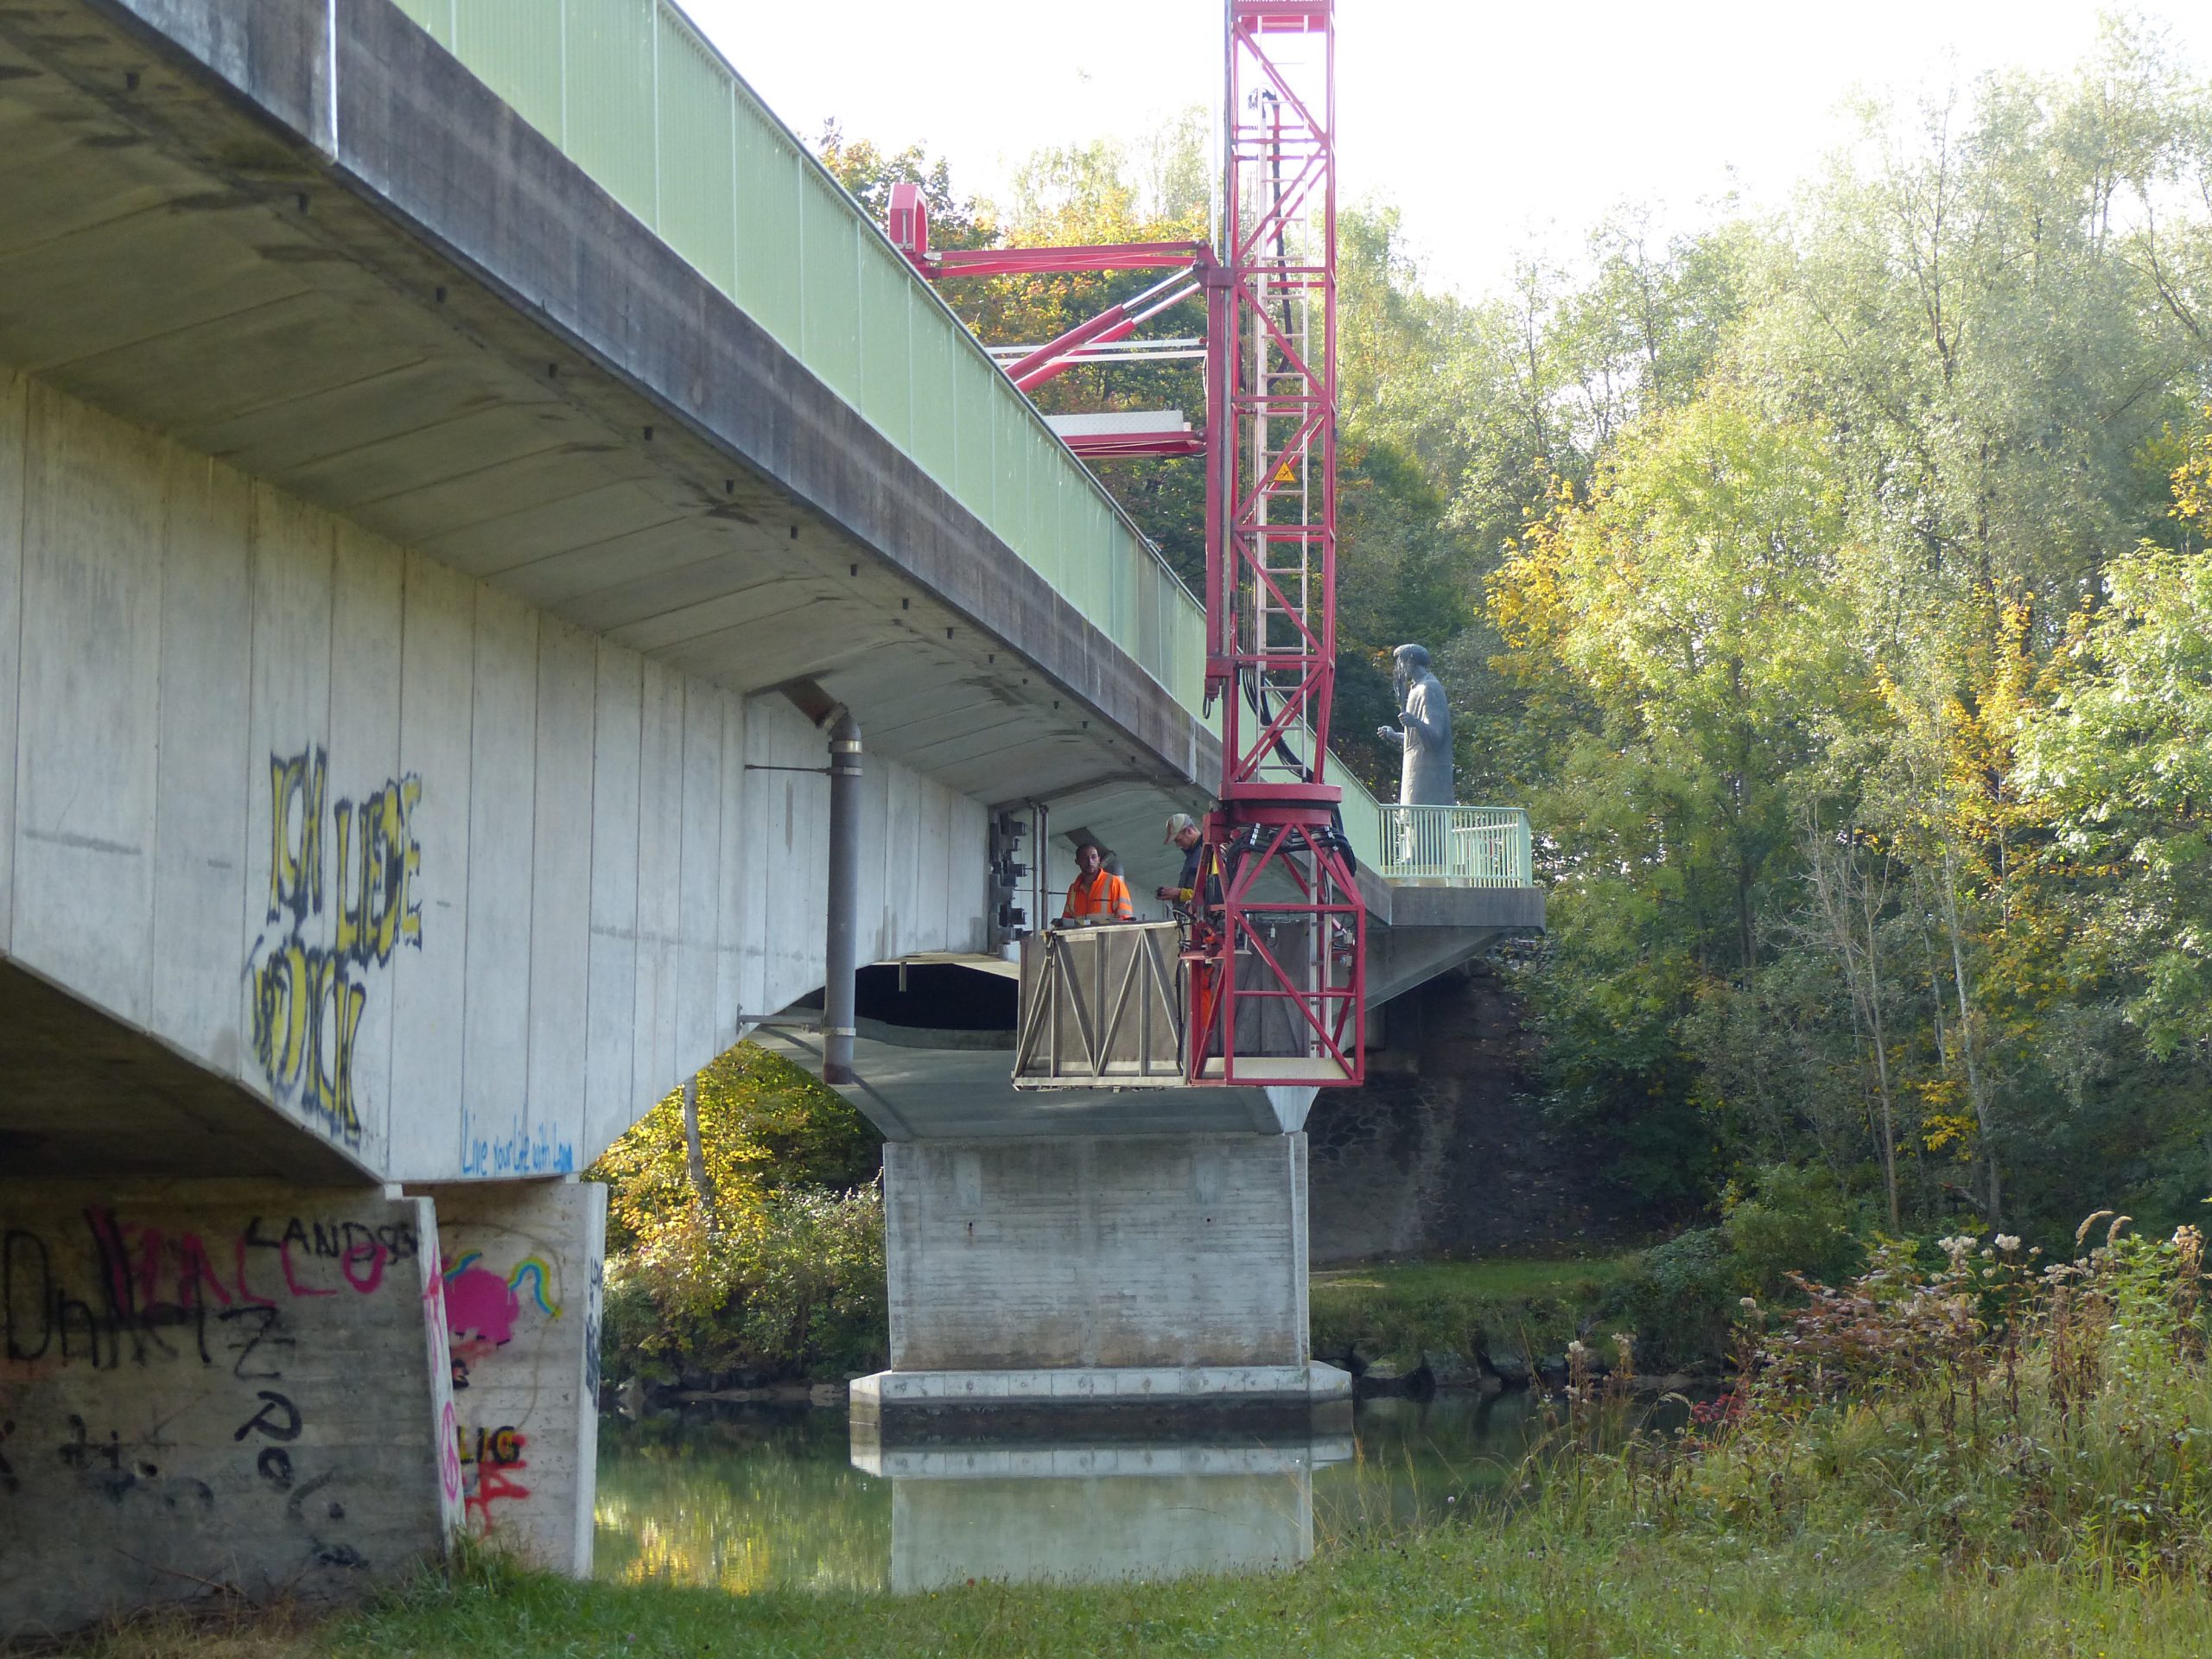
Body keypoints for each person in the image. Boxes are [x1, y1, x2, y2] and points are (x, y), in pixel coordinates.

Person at [1376, 642, 1453, 807]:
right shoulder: (1417, 688)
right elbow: (1417, 742)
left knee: (1426, 829)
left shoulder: (1429, 688)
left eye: (1401, 662)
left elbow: (1434, 738)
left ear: (1411, 661)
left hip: (1428, 787)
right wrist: (1394, 735)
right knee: (1414, 825)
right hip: (1417, 781)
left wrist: (1415, 722)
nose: (1399, 668)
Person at [1060, 839, 1134, 924]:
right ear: (1077, 861)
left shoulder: (1114, 883)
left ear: (1099, 860)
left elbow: (1125, 920)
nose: (1090, 861)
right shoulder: (1073, 889)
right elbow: (1066, 922)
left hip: (1107, 936)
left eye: (1093, 857)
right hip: (1082, 937)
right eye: (1085, 858)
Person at [1156, 812, 1205, 911]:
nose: (1178, 845)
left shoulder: (1208, 852)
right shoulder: (1195, 855)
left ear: (1189, 831)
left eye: (1178, 840)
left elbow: (1213, 896)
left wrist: (1179, 893)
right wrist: (1176, 894)